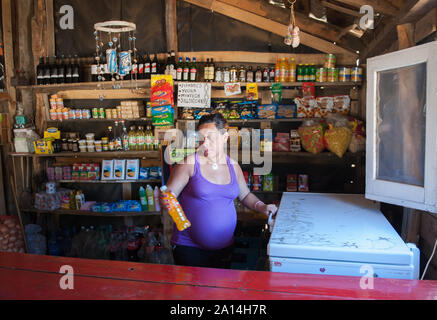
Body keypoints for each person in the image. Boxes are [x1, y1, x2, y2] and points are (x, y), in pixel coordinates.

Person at [160, 113, 278, 269]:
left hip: (224, 248)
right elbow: (168, 196)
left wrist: (262, 206)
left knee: (219, 291)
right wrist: (166, 199)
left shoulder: (233, 166)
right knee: (194, 292)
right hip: (190, 249)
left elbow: (245, 195)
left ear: (225, 137)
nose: (205, 143)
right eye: (201, 138)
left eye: (211, 138)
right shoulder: (189, 164)